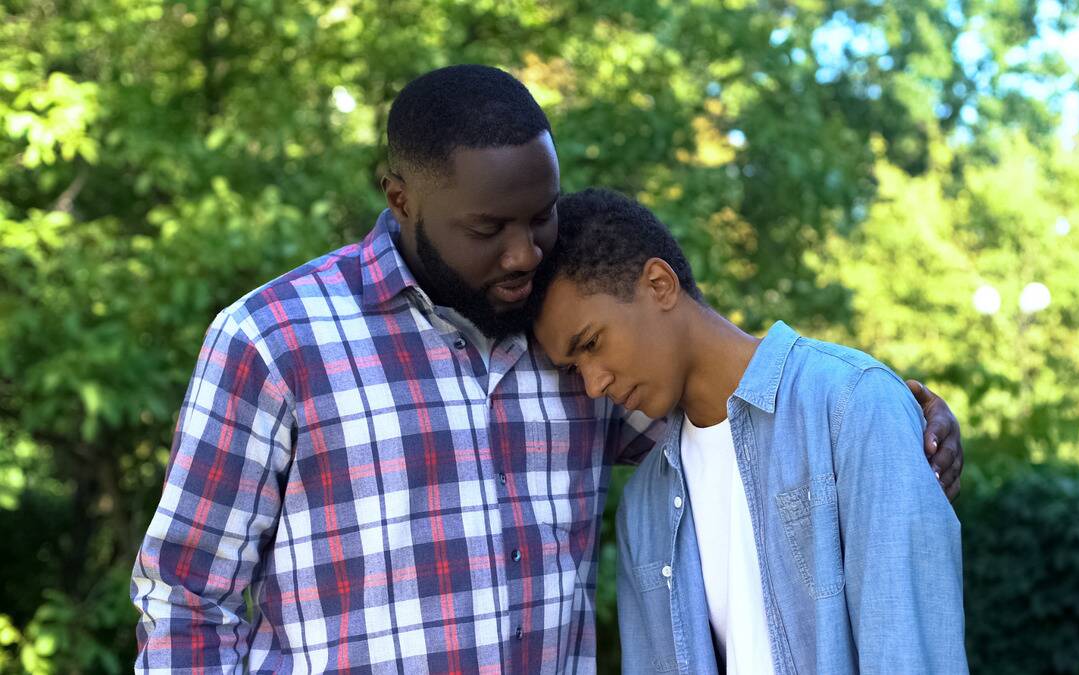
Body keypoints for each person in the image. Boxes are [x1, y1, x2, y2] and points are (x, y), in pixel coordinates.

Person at [131, 65, 964, 673]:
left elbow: (736, 406)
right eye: (489, 226)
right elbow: (184, 594)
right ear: (401, 197)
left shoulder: (567, 343)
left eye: (543, 214)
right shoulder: (274, 341)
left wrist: (898, 406)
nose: (525, 251)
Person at [532, 188, 968, 674]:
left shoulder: (853, 406)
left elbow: (909, 655)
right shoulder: (644, 507)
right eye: (574, 368)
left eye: (592, 343)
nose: (593, 385)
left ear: (659, 284)